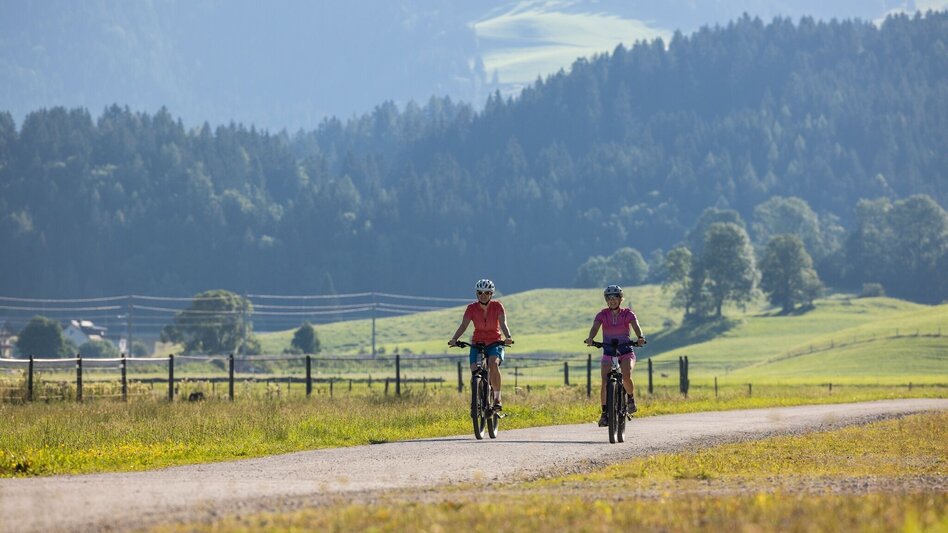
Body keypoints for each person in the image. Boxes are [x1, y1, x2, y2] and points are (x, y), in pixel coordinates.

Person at [584, 284, 646, 426]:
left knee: (626, 376)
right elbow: (595, 327)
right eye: (609, 298)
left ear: (620, 299)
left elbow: (636, 326)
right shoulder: (602, 314)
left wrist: (640, 337)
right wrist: (590, 338)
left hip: (625, 352)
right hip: (608, 351)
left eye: (615, 298)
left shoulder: (628, 313)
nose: (612, 301)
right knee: (605, 382)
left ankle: (630, 398)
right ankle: (605, 413)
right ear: (606, 300)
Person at [448, 279, 513, 411]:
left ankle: (497, 398)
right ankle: (477, 400)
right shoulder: (471, 308)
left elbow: (503, 324)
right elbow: (463, 325)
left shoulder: (497, 306)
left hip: (495, 342)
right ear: (477, 293)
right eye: (480, 292)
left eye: (487, 292)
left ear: (491, 294)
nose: (483, 295)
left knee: (493, 364)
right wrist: (454, 339)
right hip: (477, 343)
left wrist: (508, 337)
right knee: (474, 372)